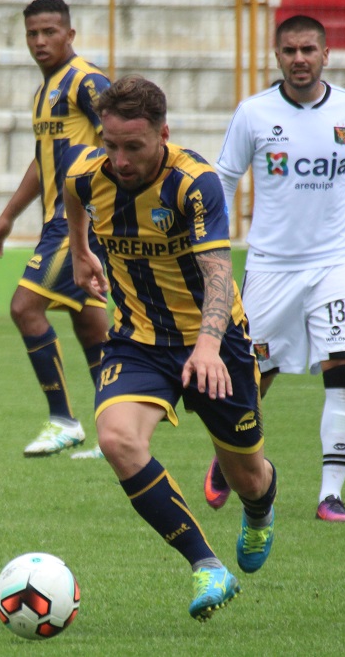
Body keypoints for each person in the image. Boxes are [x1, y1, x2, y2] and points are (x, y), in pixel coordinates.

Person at [63, 75, 277, 621]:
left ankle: (259, 509)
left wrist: (206, 347)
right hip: (137, 341)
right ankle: (207, 565)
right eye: (110, 145)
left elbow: (218, 274)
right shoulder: (88, 175)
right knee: (117, 439)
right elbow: (72, 195)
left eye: (133, 146)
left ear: (163, 134)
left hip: (217, 344)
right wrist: (81, 251)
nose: (120, 160)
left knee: (247, 476)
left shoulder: (194, 184)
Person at [202, 15, 345, 523]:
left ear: (325, 54)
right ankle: (230, 455)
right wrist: (211, 247)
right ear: (277, 56)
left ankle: (330, 496)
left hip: (335, 263)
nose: (299, 59)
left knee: (344, 368)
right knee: (255, 375)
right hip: (270, 268)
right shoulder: (254, 113)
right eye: (289, 50)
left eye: (308, 49)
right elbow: (223, 180)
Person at [0, 0, 110, 459]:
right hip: (56, 220)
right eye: (32, 33)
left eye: (49, 32)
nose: (40, 41)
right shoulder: (44, 93)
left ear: (69, 34)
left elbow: (122, 138)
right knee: (91, 328)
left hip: (79, 224)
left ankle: (64, 421)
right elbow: (43, 162)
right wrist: (8, 215)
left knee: (25, 307)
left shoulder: (88, 82)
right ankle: (117, 432)